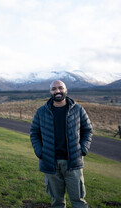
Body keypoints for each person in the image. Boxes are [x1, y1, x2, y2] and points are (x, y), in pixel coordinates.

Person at [30, 80, 93, 208]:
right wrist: (40, 152)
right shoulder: (41, 111)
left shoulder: (78, 109)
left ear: (66, 89)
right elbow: (34, 133)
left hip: (73, 163)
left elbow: (87, 130)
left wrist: (83, 148)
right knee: (57, 202)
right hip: (50, 163)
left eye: (60, 88)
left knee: (79, 202)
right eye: (54, 89)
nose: (57, 91)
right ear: (50, 92)